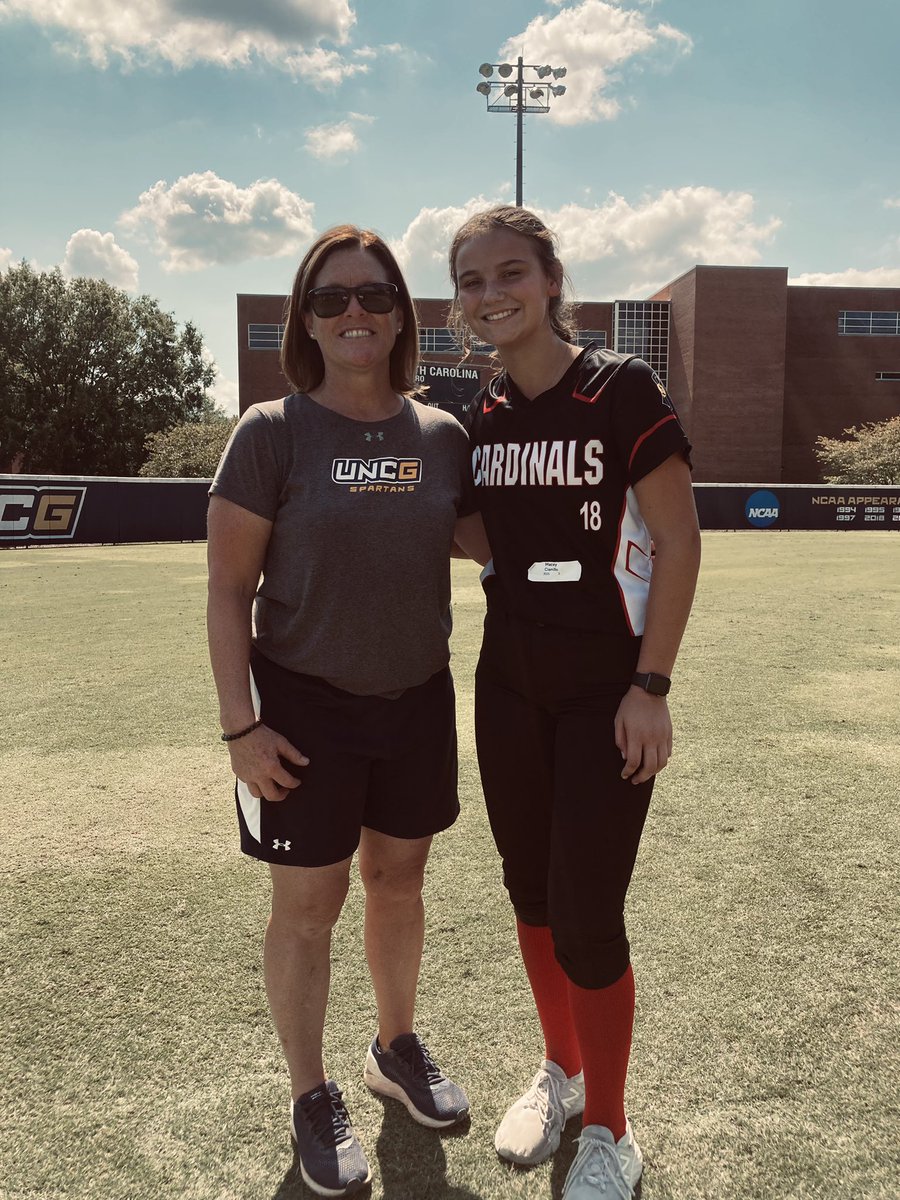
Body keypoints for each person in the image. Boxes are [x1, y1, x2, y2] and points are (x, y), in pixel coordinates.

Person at [207, 225, 484, 1198]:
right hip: (303, 710)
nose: (355, 311)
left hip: (416, 701)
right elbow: (225, 590)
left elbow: (504, 542)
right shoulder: (271, 434)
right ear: (307, 321)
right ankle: (312, 1092)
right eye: (332, 299)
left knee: (398, 882)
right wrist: (241, 730)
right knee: (308, 907)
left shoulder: (444, 437)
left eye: (374, 295)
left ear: (403, 313)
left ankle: (395, 1049)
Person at [447, 206, 701, 1200]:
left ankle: (612, 1131)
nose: (490, 294)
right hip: (508, 676)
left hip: (607, 685)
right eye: (470, 280)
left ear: (551, 280)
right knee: (531, 894)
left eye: (510, 272)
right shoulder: (481, 414)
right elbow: (474, 533)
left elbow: (678, 542)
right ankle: (561, 1072)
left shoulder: (619, 385)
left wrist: (651, 685)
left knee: (589, 912)